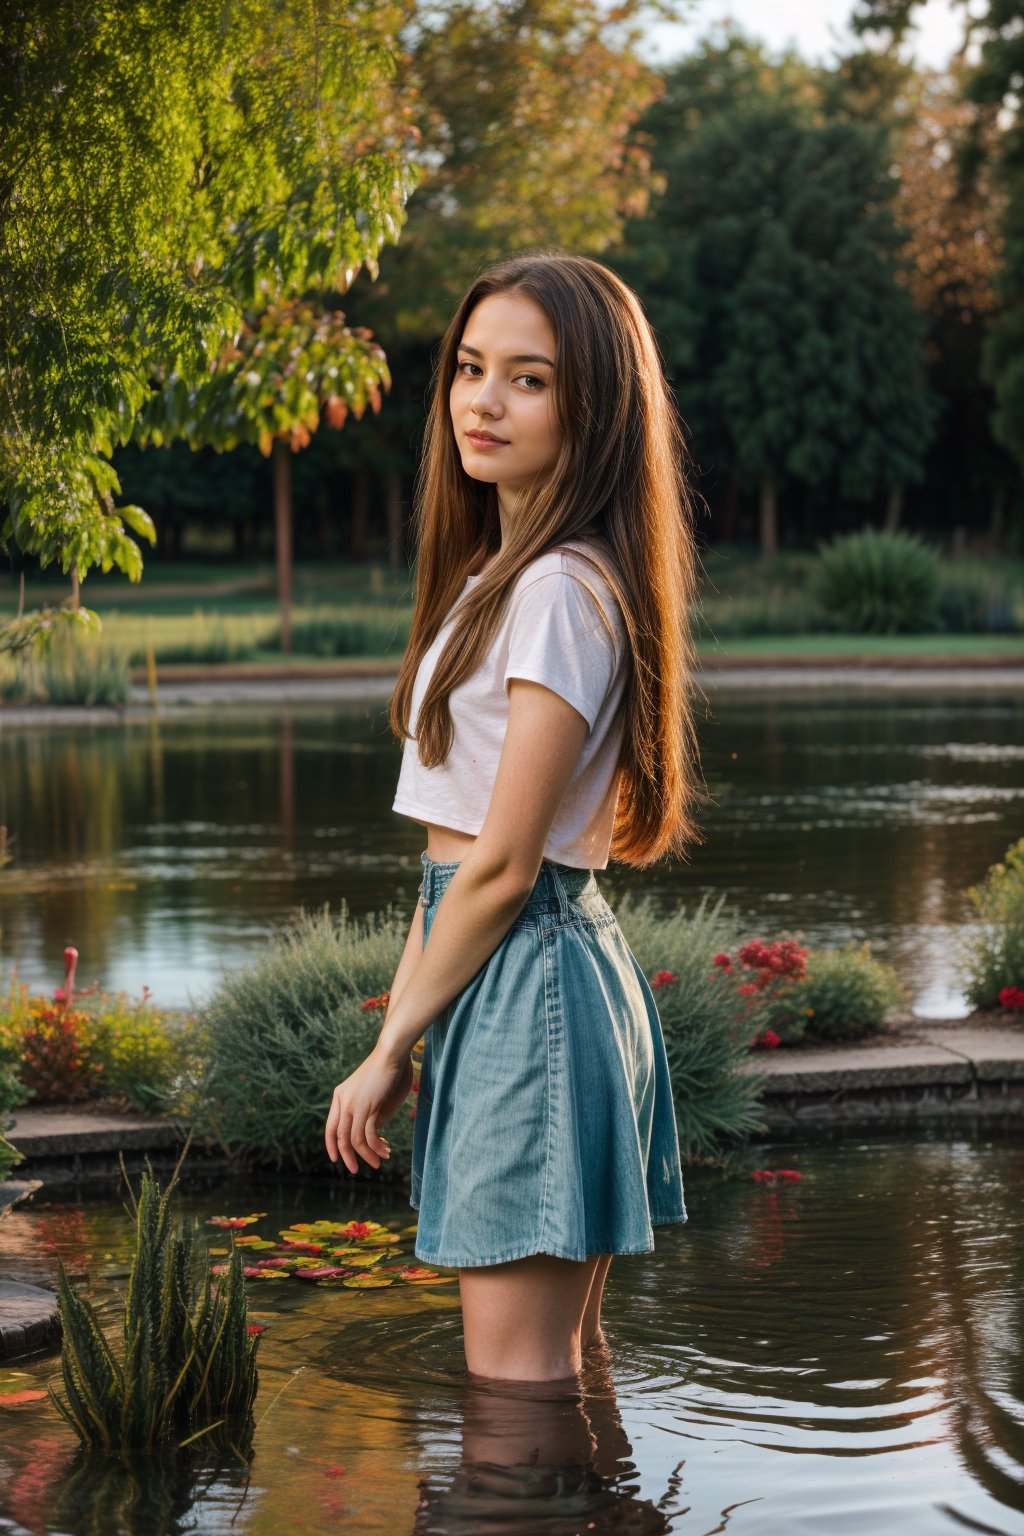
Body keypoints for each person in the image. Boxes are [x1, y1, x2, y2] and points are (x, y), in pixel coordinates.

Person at [325, 248, 707, 1387]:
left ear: (595, 408)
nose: (482, 402)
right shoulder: (516, 574)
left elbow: (497, 865)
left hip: (527, 974)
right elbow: (450, 868)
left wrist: (388, 1048)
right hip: (530, 966)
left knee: (514, 1401)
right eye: (470, 368)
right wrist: (406, 1024)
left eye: (529, 379)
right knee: (563, 1374)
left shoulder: (552, 590)